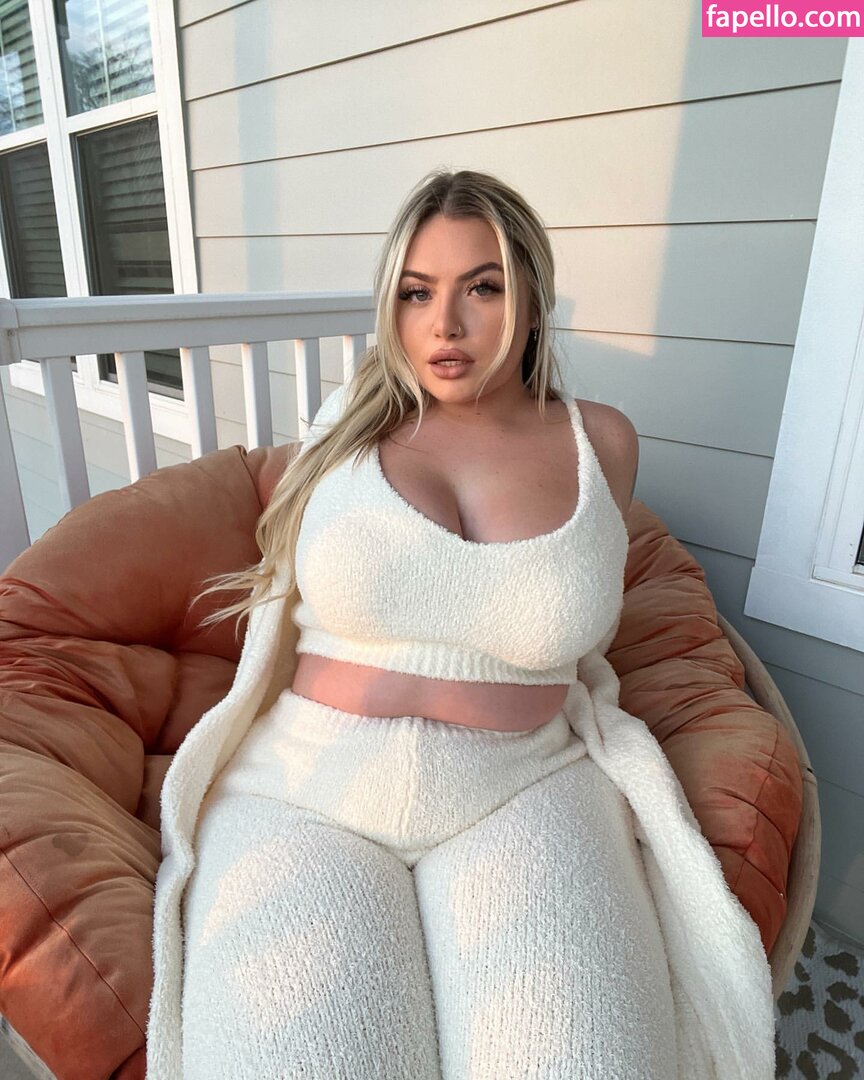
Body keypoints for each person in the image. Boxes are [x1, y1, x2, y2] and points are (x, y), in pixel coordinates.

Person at [146, 170, 776, 1079]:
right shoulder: (344, 430)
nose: (444, 324)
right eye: (416, 293)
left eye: (481, 287)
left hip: (526, 784)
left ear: (532, 298)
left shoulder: (602, 441)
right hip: (310, 787)